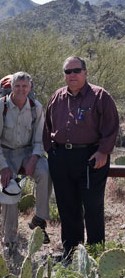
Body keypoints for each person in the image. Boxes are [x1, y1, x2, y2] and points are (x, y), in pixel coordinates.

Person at [43, 56, 119, 262]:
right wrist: (51, 152)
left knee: (92, 207)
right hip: (61, 158)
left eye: (76, 70)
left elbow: (111, 126)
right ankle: (71, 252)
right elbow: (47, 127)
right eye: (68, 72)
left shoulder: (100, 96)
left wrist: (103, 151)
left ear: (85, 72)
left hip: (91, 157)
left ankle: (95, 255)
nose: (72, 75)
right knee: (67, 206)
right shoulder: (57, 97)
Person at [0, 72, 52, 255]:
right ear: (11, 87)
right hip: (5, 153)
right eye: (17, 86)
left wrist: (34, 158)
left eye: (24, 86)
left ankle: (40, 218)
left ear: (30, 87)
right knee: (8, 187)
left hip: (27, 151)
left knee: (44, 171)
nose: (21, 90)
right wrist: (3, 167)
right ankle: (10, 239)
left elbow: (39, 138)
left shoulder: (36, 107)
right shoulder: (1, 107)